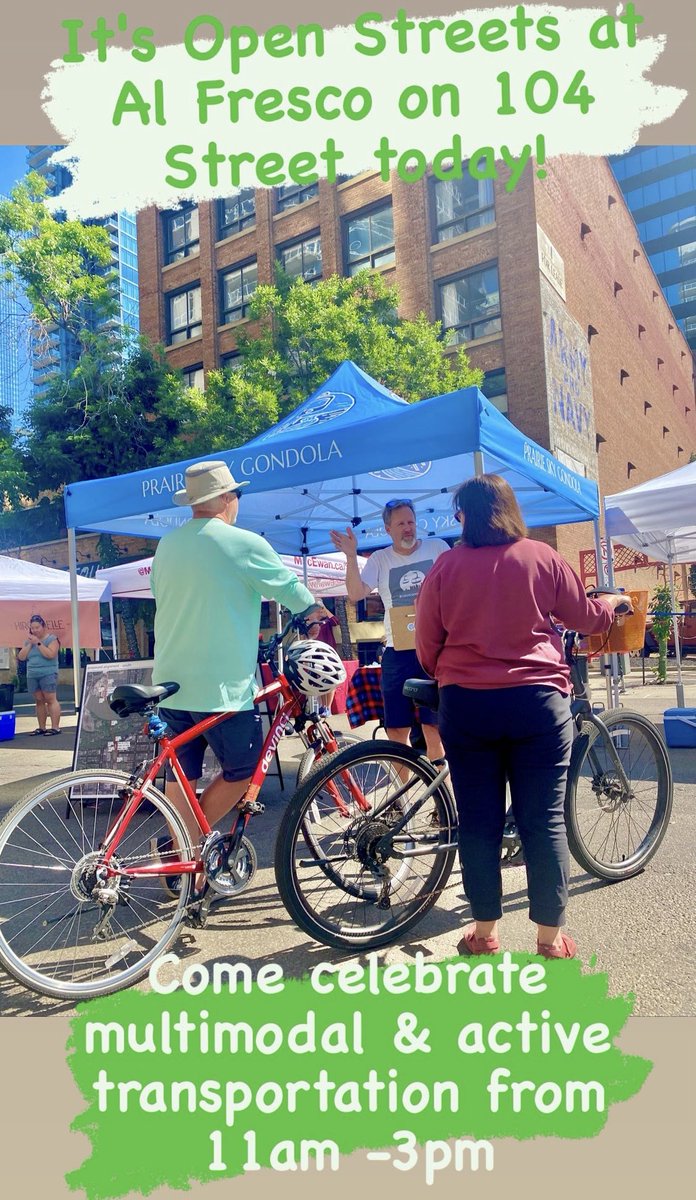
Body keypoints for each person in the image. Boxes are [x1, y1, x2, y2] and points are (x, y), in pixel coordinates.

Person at [415, 474, 631, 960]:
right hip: (538, 703)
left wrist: (449, 671)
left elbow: (428, 644)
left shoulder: (445, 567)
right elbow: (586, 618)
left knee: (478, 820)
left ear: (465, 516)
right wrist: (611, 603)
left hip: (468, 705)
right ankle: (549, 941)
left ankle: (484, 933)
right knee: (544, 820)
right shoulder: (542, 558)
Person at [150, 460, 327, 873]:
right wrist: (316, 612)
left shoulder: (167, 546)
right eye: (237, 495)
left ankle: (182, 859)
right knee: (244, 771)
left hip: (171, 681)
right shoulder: (241, 542)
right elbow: (290, 590)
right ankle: (183, 848)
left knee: (182, 775)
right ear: (227, 499)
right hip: (222, 686)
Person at [330, 500, 450, 760]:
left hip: (434, 649)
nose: (408, 528)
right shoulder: (380, 558)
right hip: (398, 651)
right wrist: (351, 556)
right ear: (388, 528)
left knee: (434, 726)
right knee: (396, 728)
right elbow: (355, 593)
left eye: (411, 522)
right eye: (401, 524)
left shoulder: (438, 548)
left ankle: (441, 795)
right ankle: (403, 798)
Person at [17, 614, 62, 735]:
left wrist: (38, 643)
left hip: (48, 673)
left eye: (37, 627)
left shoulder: (52, 639)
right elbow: (21, 657)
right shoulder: (28, 641)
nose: (35, 630)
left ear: (43, 627)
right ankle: (41, 727)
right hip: (32, 673)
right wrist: (30, 644)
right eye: (33, 628)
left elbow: (50, 655)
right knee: (39, 700)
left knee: (50, 699)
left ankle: (55, 727)